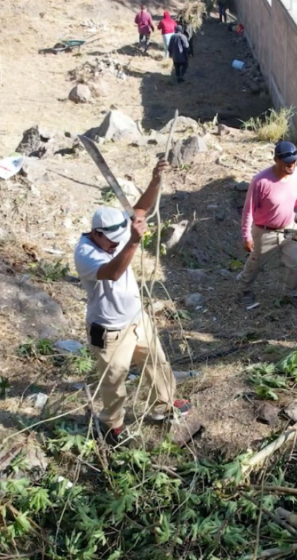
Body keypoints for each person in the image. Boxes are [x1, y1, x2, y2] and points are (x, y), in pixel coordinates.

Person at [74, 160, 191, 444]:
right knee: (114, 379)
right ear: (96, 234)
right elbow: (113, 272)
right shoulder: (85, 254)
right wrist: (134, 243)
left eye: (120, 237)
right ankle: (111, 424)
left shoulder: (116, 232)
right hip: (109, 329)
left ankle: (163, 405)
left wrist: (154, 181)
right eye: (111, 241)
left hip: (137, 319)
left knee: (157, 363)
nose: (116, 243)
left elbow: (140, 210)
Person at [239, 141, 297, 309]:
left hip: (290, 228)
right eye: (287, 162)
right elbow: (248, 210)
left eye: (294, 161)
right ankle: (244, 289)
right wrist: (246, 236)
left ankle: (291, 293)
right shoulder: (261, 181)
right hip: (265, 232)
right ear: (276, 160)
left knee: (295, 262)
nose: (291, 165)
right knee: (255, 263)